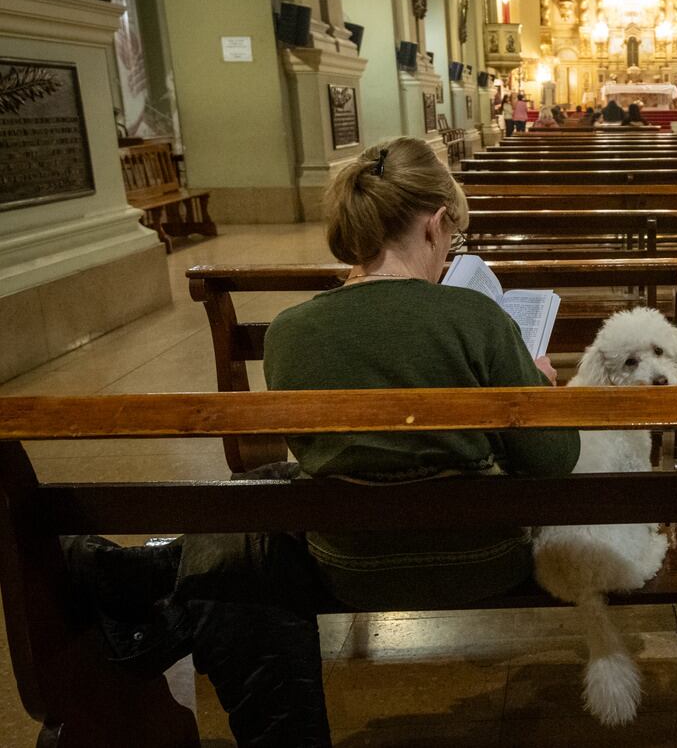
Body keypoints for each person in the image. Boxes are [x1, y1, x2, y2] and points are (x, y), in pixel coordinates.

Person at [63, 137, 580, 746]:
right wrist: (538, 392)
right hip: (480, 561)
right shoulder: (480, 318)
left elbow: (316, 457)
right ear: (436, 224)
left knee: (250, 505)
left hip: (349, 566)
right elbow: (552, 461)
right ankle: (143, 583)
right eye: (453, 240)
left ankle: (144, 583)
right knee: (247, 511)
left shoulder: (291, 332)